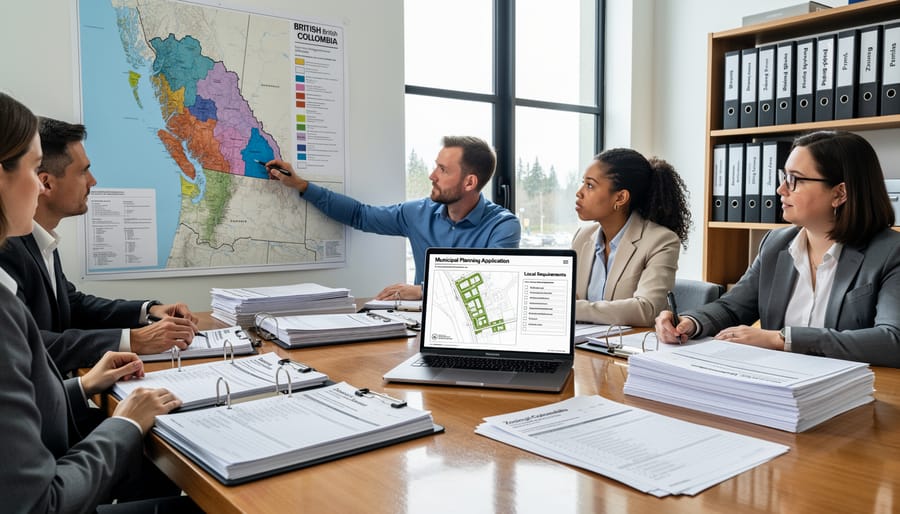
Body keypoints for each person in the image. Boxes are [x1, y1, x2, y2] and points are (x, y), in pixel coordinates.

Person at [0, 92, 199, 513]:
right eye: (34, 170)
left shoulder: (34, 249)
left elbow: (66, 306)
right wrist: (124, 421)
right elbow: (39, 503)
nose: (37, 185)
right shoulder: (8, 261)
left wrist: (83, 385)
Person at [655, 130, 900, 368]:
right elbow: (732, 307)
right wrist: (690, 322)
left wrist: (781, 339)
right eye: (784, 177)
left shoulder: (890, 252)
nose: (781, 190)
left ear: (839, 193)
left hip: (856, 392)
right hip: (779, 383)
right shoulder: (777, 244)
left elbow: (892, 340)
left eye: (795, 180)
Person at [0, 117, 200, 374]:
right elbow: (26, 345)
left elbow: (73, 305)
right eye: (83, 171)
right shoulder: (8, 248)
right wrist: (133, 340)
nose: (92, 181)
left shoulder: (40, 239)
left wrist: (148, 310)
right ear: (46, 183)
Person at [264, 135, 521, 300]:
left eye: (442, 170)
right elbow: (360, 215)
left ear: (469, 182)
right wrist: (301, 185)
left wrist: (421, 291)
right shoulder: (417, 214)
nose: (432, 175)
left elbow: (490, 288)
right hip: (421, 329)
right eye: (435, 166)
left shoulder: (503, 226)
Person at [572, 148, 691, 326]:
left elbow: (647, 309)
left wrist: (572, 309)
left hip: (627, 347)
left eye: (590, 185)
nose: (579, 192)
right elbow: (565, 296)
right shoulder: (582, 237)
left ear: (620, 198)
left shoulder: (661, 241)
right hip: (583, 344)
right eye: (583, 183)